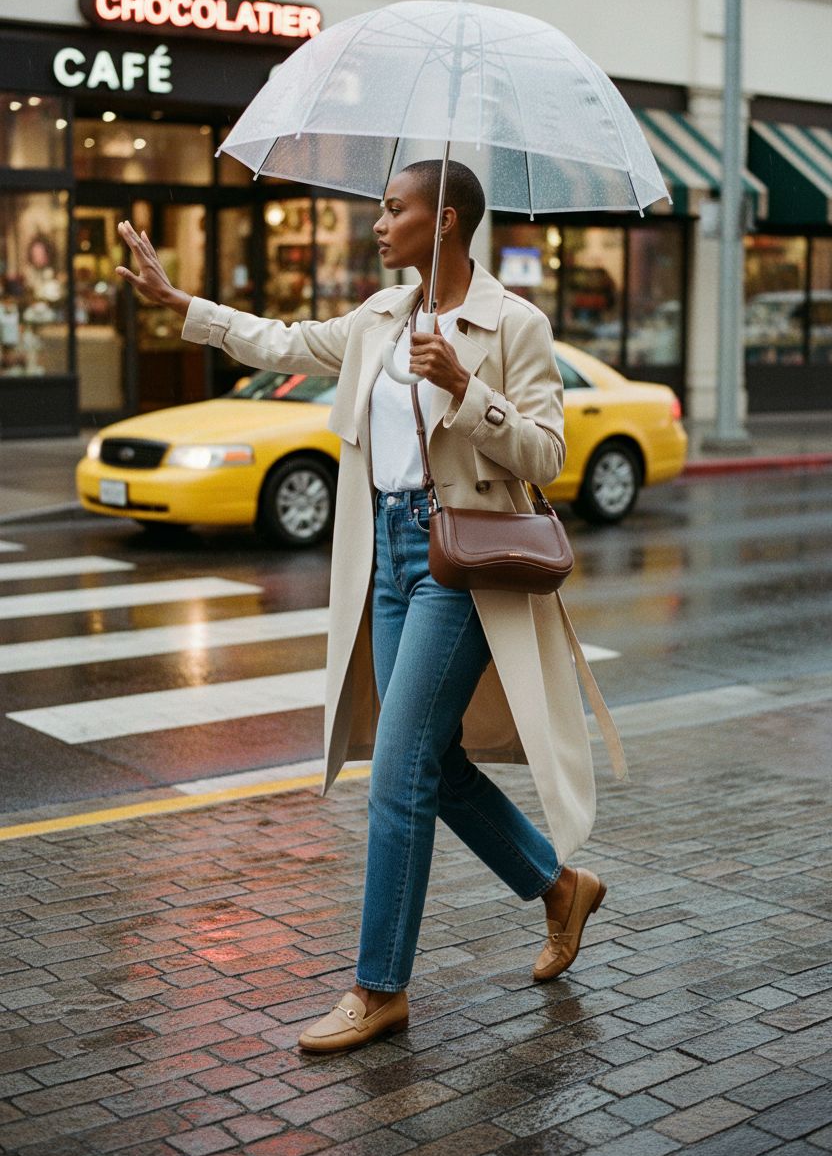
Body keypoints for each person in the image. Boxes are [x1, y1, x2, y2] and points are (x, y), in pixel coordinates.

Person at [116, 159, 623, 1055]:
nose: (378, 224)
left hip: (459, 561)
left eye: (394, 209)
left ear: (446, 219)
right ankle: (558, 888)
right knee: (432, 762)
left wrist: (466, 390)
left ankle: (378, 987)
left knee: (397, 774)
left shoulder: (514, 323)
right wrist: (181, 303)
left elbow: (547, 454)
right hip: (387, 554)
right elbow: (283, 343)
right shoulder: (383, 315)